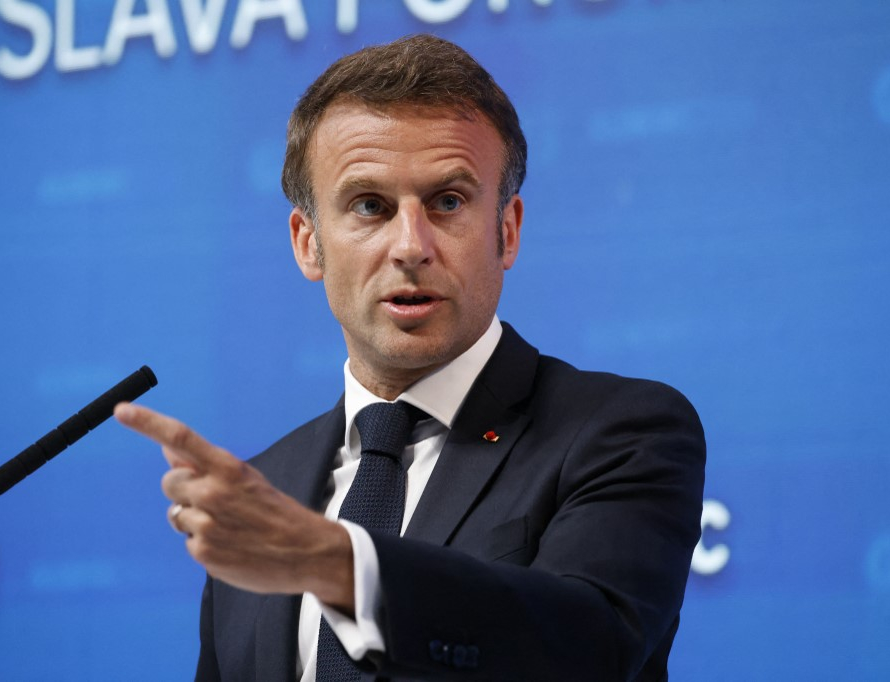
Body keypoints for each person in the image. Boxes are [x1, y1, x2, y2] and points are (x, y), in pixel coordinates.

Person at [115, 34, 705, 681]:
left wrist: (335, 563)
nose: (410, 246)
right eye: (369, 206)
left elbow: (592, 646)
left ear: (507, 231)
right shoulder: (267, 494)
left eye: (448, 201)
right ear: (308, 243)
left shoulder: (622, 431)